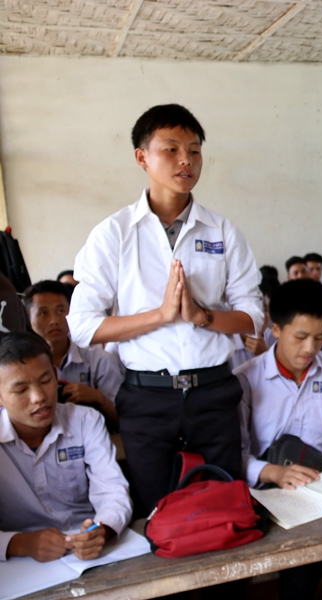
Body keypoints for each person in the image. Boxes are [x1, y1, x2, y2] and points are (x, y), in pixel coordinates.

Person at [67, 104, 265, 516]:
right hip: (147, 397)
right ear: (142, 157)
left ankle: (224, 583)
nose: (185, 161)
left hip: (214, 393)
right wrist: (159, 315)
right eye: (171, 149)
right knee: (157, 512)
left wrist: (202, 317)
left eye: (194, 150)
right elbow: (84, 327)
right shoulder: (114, 234)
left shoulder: (222, 231)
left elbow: (252, 317)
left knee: (223, 507)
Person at [236, 279, 322, 599]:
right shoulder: (245, 379)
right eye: (300, 337)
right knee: (301, 559)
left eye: (320, 337)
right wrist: (273, 472)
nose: (310, 348)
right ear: (276, 329)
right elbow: (234, 453)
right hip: (264, 490)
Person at [0, 333, 132, 562]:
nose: (39, 397)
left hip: (89, 549)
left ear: (55, 374)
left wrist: (101, 530)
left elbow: (112, 491)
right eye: (21, 390)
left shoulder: (85, 421)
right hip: (19, 564)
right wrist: (21, 543)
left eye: (45, 381)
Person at [24, 281, 124, 431]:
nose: (54, 320)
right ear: (29, 320)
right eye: (43, 313)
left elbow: (122, 422)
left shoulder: (100, 360)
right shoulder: (21, 367)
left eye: (61, 310)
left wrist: (99, 399)